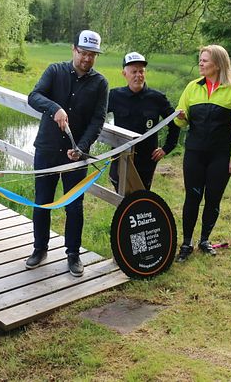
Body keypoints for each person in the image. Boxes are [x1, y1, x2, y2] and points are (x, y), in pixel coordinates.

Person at [25, 30, 108, 277]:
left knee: (74, 206)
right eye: (83, 53)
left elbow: (98, 119)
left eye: (92, 55)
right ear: (74, 49)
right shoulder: (54, 71)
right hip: (47, 150)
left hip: (76, 155)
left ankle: (73, 254)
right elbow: (33, 96)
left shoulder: (101, 83)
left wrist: (81, 148)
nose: (86, 59)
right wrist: (55, 108)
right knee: (42, 201)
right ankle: (39, 248)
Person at [174, 44, 231, 262]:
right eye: (200, 59)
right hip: (195, 153)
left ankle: (204, 240)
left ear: (218, 64)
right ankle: (186, 243)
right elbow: (181, 122)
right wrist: (178, 116)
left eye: (205, 60)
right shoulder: (192, 88)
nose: (200, 63)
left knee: (213, 199)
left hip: (221, 155)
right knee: (192, 197)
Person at [107, 52, 180, 191]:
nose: (138, 75)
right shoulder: (114, 96)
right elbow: (97, 118)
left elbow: (174, 123)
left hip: (147, 159)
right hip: (120, 156)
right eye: (134, 71)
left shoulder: (157, 98)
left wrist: (167, 148)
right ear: (124, 73)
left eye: (141, 71)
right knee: (120, 193)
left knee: (141, 197)